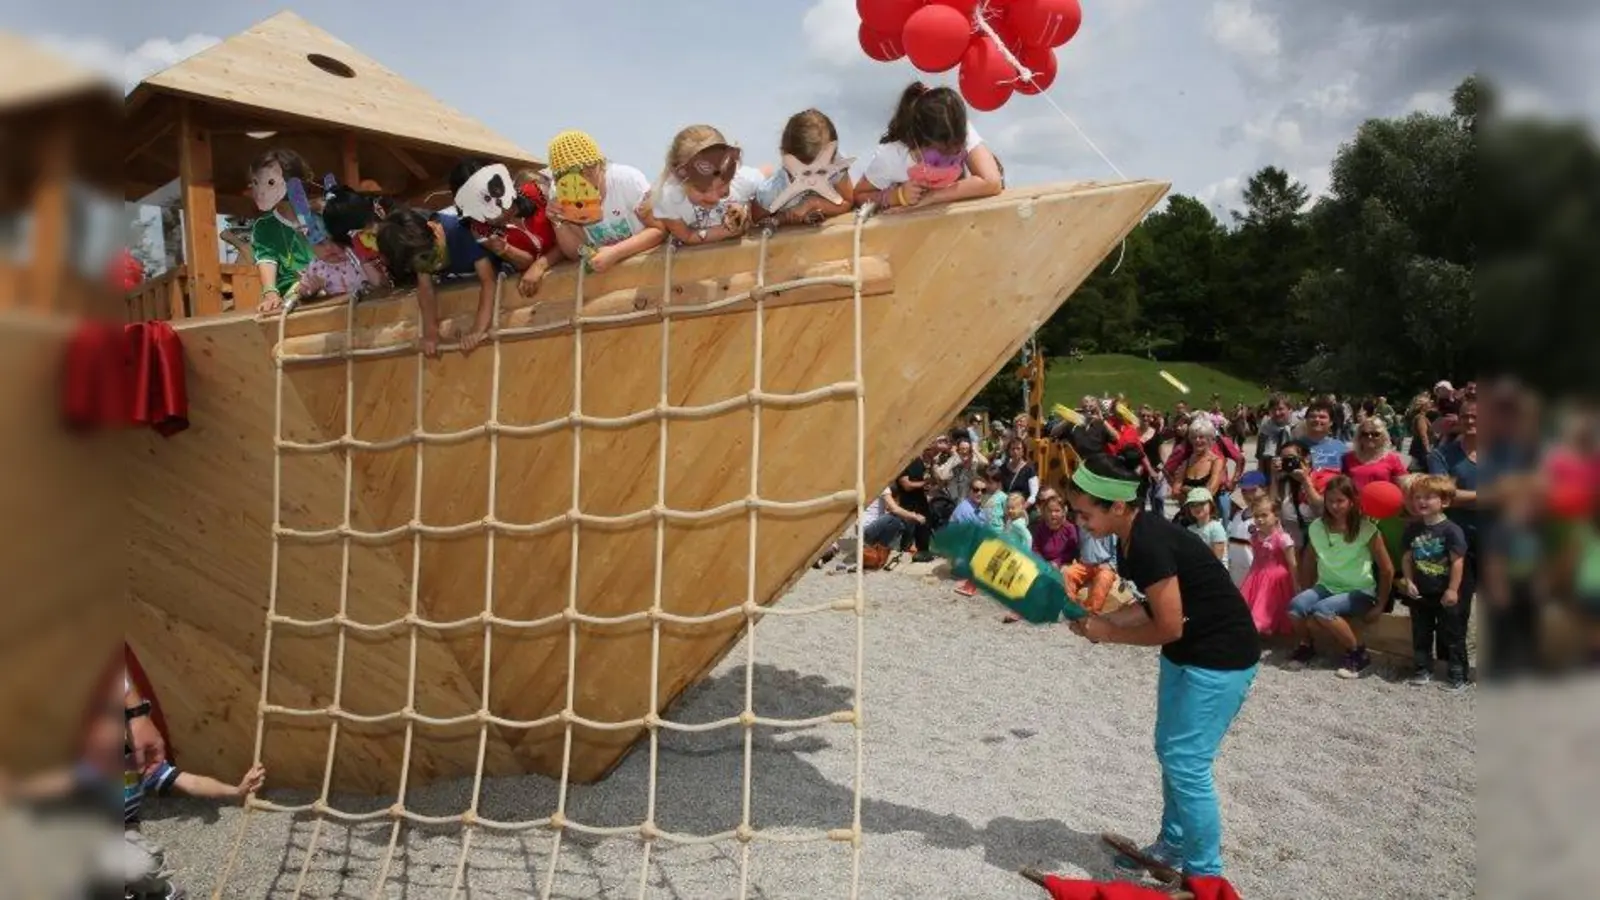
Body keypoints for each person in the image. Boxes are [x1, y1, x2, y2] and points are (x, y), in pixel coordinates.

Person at [1064, 449, 1260, 879]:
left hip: (1221, 658)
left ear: (1117, 506)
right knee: (1170, 751)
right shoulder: (1129, 535)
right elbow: (1152, 606)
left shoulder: (1149, 542)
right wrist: (1104, 620)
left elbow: (1168, 625)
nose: (1079, 521)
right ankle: (1173, 844)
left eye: (1083, 513)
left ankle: (1205, 875)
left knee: (1187, 761)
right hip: (1188, 652)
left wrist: (1110, 632)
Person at [1284, 476, 1394, 679]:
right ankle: (1307, 645)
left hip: (1359, 591)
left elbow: (1387, 570)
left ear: (1352, 501)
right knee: (1295, 607)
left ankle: (1358, 654)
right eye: (1330, 500)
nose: (1334, 506)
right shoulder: (1317, 526)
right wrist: (1307, 589)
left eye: (1340, 501)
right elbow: (1308, 561)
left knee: (1323, 611)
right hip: (1327, 586)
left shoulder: (1367, 529)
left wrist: (1380, 605)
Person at [854, 82, 1004, 213]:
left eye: (957, 153)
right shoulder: (893, 155)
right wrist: (897, 195)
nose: (949, 160)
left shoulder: (958, 130)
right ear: (916, 141)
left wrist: (932, 196)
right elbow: (860, 196)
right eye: (940, 156)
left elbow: (992, 181)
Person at [374, 206, 502, 357]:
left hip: (500, 270)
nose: (430, 266)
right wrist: (431, 333)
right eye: (418, 265)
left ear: (434, 229)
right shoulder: (416, 248)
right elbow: (426, 289)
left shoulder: (459, 229)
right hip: (460, 278)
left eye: (430, 257)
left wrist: (478, 329)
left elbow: (488, 280)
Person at [545, 129, 666, 272]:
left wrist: (615, 252)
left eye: (587, 171)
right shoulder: (560, 193)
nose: (581, 181)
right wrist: (558, 223)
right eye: (567, 176)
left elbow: (659, 229)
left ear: (600, 165)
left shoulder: (626, 180)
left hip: (648, 267)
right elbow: (576, 253)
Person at [448, 158, 564, 298]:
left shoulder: (538, 193)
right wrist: (506, 250)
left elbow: (570, 240)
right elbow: (526, 262)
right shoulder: (480, 230)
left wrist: (539, 266)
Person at [1398, 475, 1471, 690]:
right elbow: (1406, 557)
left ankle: (1458, 676)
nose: (1422, 501)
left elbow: (1458, 561)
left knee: (1452, 634)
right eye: (1418, 497)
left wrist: (1452, 589)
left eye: (1429, 497)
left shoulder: (1451, 530)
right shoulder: (1412, 529)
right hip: (1421, 591)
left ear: (1444, 501)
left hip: (1444, 592)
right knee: (1421, 632)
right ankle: (1422, 670)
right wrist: (1409, 581)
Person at [651, 125, 765, 246]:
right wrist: (726, 231)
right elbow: (686, 235)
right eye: (702, 189)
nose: (713, 198)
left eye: (722, 186)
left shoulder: (745, 180)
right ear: (681, 181)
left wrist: (749, 210)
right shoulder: (669, 198)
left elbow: (769, 189)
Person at [752, 108, 856, 228]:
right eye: (805, 173)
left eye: (821, 171)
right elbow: (755, 220)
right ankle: (762, 172)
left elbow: (848, 201)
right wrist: (784, 217)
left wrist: (813, 204)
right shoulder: (772, 194)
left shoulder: (836, 165)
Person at [1239, 496, 1298, 637]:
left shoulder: (1283, 538)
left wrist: (1296, 584)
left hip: (1276, 578)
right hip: (1258, 575)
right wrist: (1250, 577)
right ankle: (1257, 631)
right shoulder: (1254, 537)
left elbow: (1292, 563)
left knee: (1268, 605)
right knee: (1253, 604)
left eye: (1264, 515)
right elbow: (1256, 558)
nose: (1259, 519)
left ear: (1276, 515)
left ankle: (1261, 628)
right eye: (1256, 516)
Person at [1181, 488, 1227, 564]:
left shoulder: (1216, 527)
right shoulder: (1190, 529)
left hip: (1215, 571)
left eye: (1202, 504)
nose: (1197, 507)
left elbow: (1217, 558)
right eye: (1192, 505)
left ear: (1211, 505)